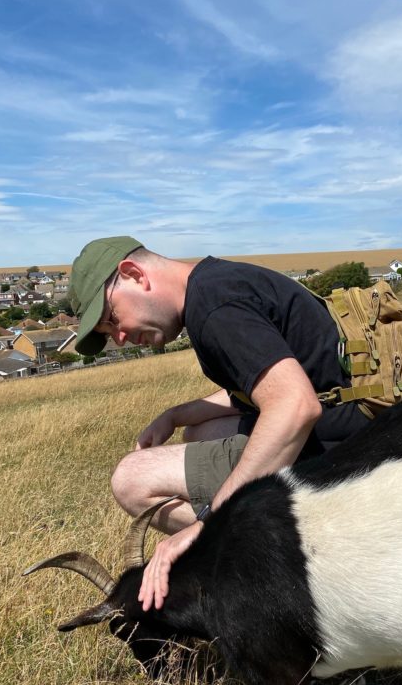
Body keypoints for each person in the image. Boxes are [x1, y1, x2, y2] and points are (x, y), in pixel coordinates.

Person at [70, 236, 371, 612]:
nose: (121, 337)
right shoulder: (216, 282)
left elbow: (295, 405)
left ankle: (265, 563)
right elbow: (264, 386)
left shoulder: (214, 308)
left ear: (133, 275)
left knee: (131, 479)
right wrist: (176, 416)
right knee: (200, 432)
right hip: (358, 424)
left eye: (111, 319)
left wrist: (207, 526)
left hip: (346, 450)